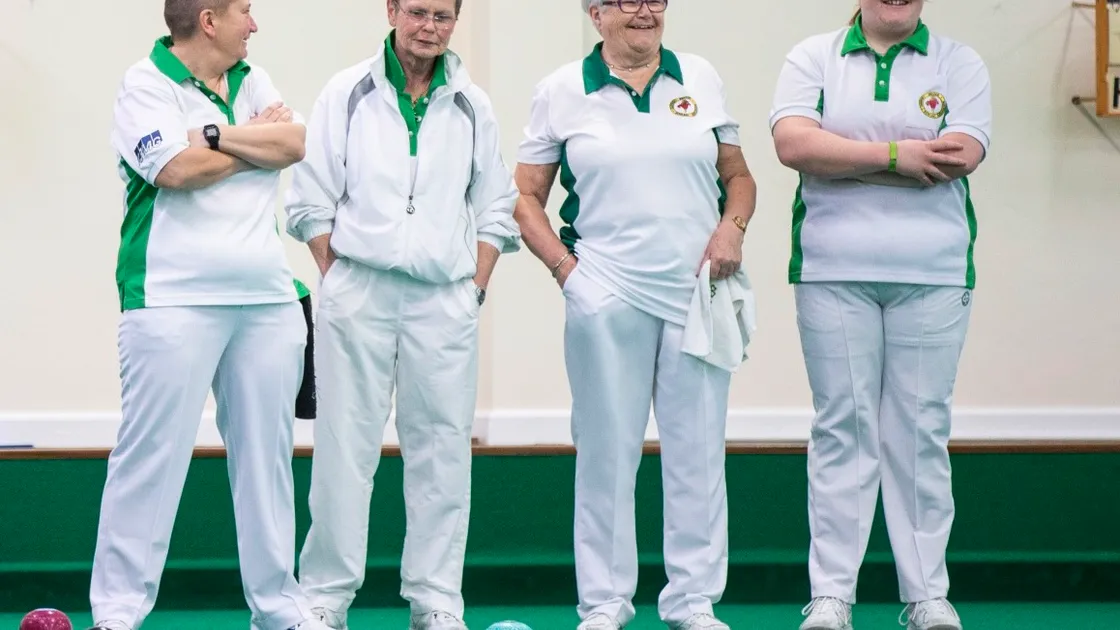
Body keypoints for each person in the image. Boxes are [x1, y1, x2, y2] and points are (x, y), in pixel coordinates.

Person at [512, 1, 758, 629]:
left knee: (698, 454)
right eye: (626, 0)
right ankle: (603, 605)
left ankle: (693, 604)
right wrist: (567, 273)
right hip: (606, 294)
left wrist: (732, 230)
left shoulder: (700, 76)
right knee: (605, 453)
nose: (644, 11)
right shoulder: (561, 90)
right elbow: (524, 197)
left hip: (695, 293)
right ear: (596, 14)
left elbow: (739, 176)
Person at [283, 0, 521, 628]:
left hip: (444, 299)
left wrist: (474, 287)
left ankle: (436, 602)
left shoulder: (474, 104)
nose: (430, 28)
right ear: (391, 10)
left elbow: (497, 206)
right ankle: (324, 600)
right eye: (418, 12)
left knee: (443, 451)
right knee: (342, 448)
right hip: (357, 291)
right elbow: (309, 200)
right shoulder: (348, 92)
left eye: (443, 16)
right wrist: (338, 276)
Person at [89, 1, 327, 630]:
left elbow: (297, 142)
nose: (256, 24)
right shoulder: (146, 82)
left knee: (267, 461)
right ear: (208, 20)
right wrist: (254, 143)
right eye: (245, 11)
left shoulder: (255, 79)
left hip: (268, 300)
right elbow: (174, 169)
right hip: (169, 298)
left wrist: (215, 136)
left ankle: (279, 610)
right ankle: (117, 614)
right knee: (150, 458)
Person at [769, 1, 991, 629]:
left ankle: (926, 596)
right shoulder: (812, 55)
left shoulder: (959, 61)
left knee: (919, 430)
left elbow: (960, 155)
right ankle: (832, 594)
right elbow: (793, 144)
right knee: (843, 427)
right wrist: (897, 157)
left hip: (935, 271)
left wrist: (844, 154)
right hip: (832, 269)